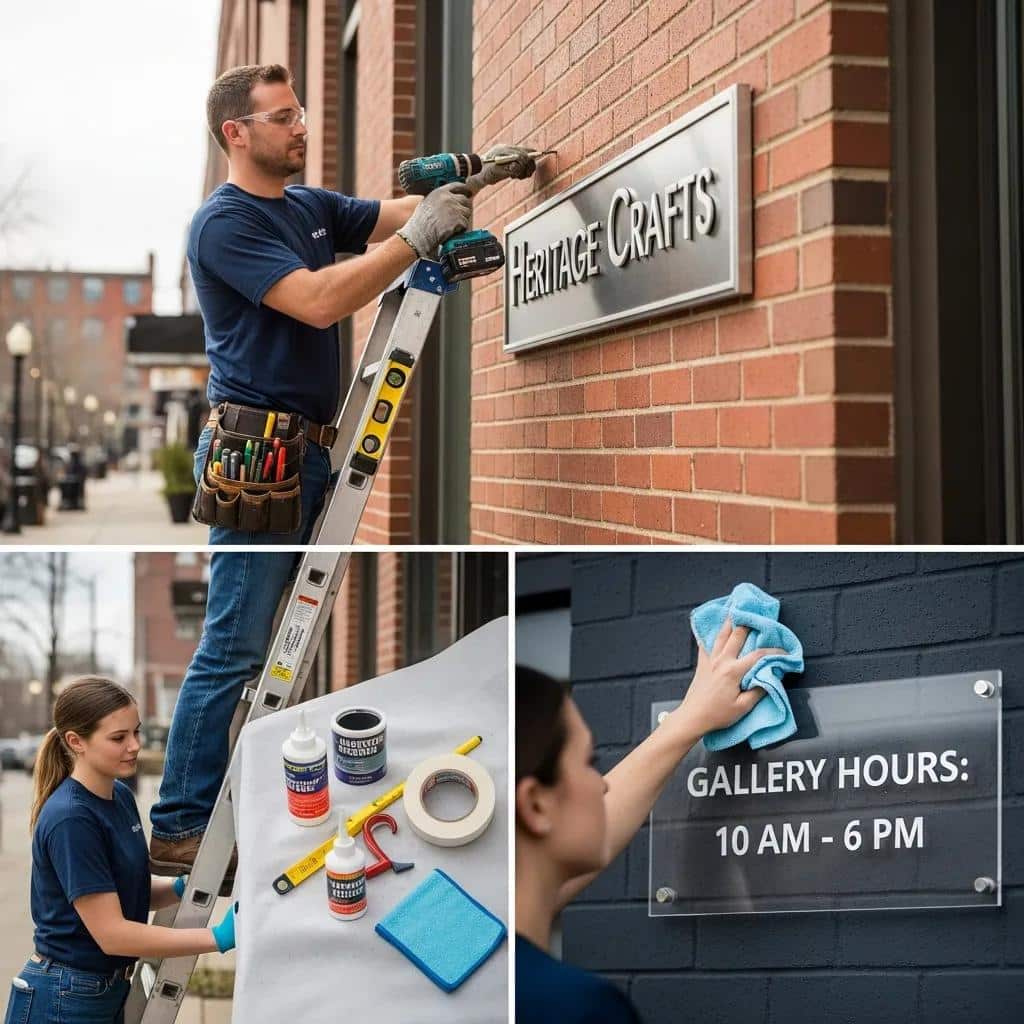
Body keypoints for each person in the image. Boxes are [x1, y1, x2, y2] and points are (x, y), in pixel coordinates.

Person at [149, 63, 536, 878]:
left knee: (277, 645)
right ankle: (181, 823)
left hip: (314, 453)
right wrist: (414, 238)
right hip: (261, 464)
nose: (301, 128)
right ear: (236, 133)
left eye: (301, 113)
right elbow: (322, 300)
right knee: (235, 645)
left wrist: (481, 173)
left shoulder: (309, 207)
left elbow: (404, 214)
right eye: (283, 117)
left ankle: (231, 805)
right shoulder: (222, 225)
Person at [515, 621, 784, 1024]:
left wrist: (690, 719)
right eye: (589, 764)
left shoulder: (463, 940)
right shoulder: (581, 1009)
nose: (602, 787)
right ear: (535, 806)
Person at [5, 678, 235, 1024]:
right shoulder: (72, 819)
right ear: (75, 742)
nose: (134, 746)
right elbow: (112, 934)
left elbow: (123, 892)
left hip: (103, 990)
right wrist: (214, 938)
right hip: (65, 997)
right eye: (118, 738)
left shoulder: (120, 797)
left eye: (136, 733)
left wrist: (176, 889)